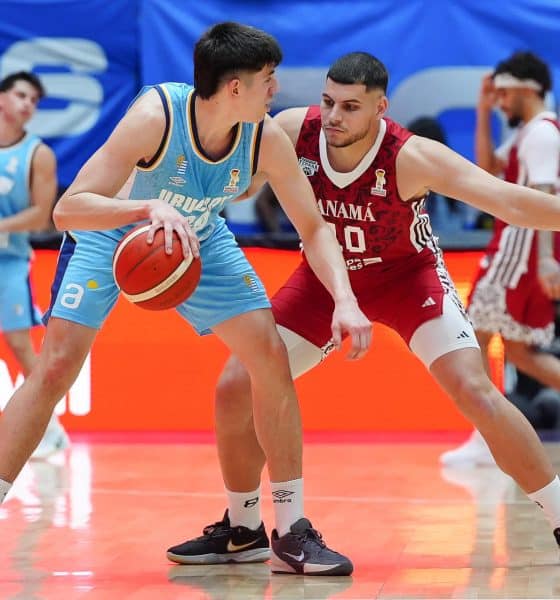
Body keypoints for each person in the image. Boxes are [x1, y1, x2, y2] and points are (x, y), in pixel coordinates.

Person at [0, 23, 371, 577]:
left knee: (268, 356)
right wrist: (143, 210)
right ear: (234, 88)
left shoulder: (264, 136)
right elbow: (69, 209)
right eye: (267, 79)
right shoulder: (156, 117)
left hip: (200, 236)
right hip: (114, 233)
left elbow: (314, 228)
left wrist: (345, 299)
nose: (276, 89)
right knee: (54, 369)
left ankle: (287, 530)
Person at [168, 51, 560, 569]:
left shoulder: (412, 155)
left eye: (351, 107)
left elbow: (509, 202)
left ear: (381, 108)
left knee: (475, 390)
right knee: (235, 386)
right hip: (325, 280)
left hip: (406, 277)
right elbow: (235, 183)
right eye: (328, 102)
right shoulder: (291, 130)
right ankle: (243, 529)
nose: (334, 116)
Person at [441, 51, 560, 466]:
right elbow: (487, 171)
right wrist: (481, 110)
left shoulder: (543, 134)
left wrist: (546, 260)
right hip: (517, 251)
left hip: (519, 254)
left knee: (471, 342)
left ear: (528, 87)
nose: (501, 102)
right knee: (521, 353)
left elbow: (547, 198)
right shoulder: (529, 131)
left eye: (504, 94)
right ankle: (485, 438)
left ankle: (484, 440)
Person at [0, 71, 69, 459]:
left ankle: (52, 427)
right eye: (21, 95)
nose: (28, 104)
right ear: (2, 99)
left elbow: (43, 216)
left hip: (9, 261)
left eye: (35, 100)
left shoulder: (38, 153)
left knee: (19, 344)